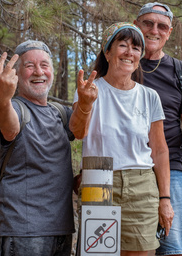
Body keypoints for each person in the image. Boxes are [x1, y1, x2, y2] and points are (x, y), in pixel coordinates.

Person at [69, 22, 174, 256]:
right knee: (97, 253)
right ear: (107, 52)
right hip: (98, 177)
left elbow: (159, 150)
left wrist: (165, 198)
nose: (129, 52)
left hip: (142, 184)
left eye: (136, 48)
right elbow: (78, 133)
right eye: (123, 45)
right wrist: (85, 104)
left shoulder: (149, 97)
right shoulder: (88, 90)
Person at [0, 40, 76, 256]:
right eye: (29, 66)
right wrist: (1, 100)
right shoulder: (17, 109)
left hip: (62, 230)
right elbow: (9, 127)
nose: (38, 71)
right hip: (24, 233)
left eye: (45, 65)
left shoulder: (59, 113)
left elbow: (84, 128)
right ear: (17, 75)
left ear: (53, 71)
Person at [134, 3, 182, 256]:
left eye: (161, 26)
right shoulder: (122, 63)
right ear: (136, 25)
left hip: (171, 169)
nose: (154, 30)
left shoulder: (178, 71)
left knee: (173, 248)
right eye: (148, 23)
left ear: (169, 32)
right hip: (127, 170)